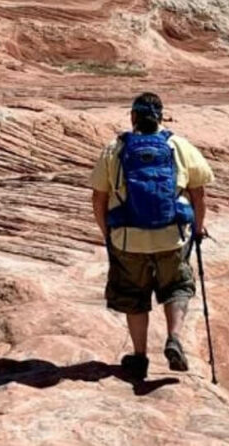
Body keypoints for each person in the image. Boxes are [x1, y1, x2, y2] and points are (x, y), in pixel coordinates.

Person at [90, 92, 214, 381]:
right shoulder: (178, 146)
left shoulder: (115, 149)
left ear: (133, 117)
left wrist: (106, 232)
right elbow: (199, 192)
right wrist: (198, 227)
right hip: (171, 236)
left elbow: (99, 197)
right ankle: (173, 338)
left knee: (134, 295)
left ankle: (139, 357)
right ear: (161, 116)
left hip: (127, 238)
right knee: (177, 286)